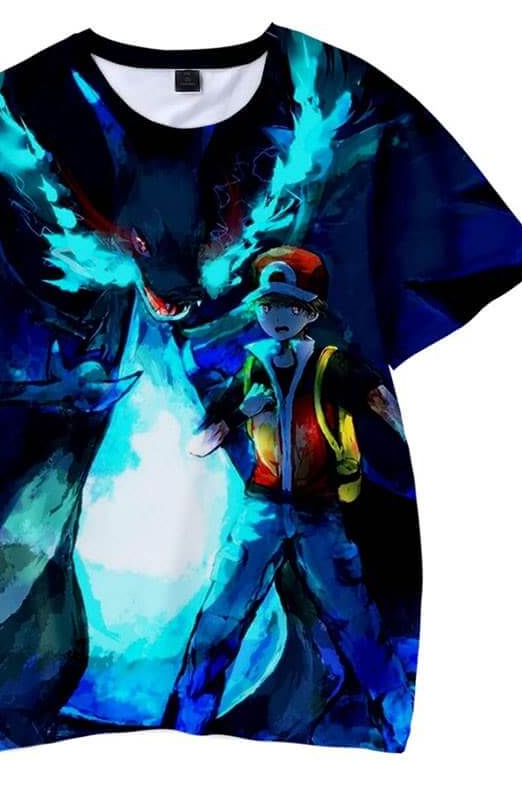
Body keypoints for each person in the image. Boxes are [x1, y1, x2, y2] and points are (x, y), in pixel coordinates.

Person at [163, 246, 413, 750]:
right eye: (269, 305)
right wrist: (241, 412)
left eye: (290, 306)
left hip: (320, 515)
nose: (277, 315)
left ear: (309, 313)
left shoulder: (330, 367)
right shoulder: (251, 369)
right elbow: (198, 443)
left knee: (355, 620)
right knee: (220, 616)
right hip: (260, 512)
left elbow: (379, 401)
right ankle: (190, 717)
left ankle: (395, 714)